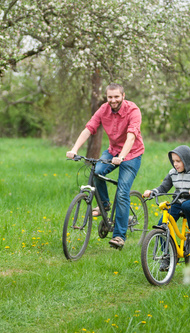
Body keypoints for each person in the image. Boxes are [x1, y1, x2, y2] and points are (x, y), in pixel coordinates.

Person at [66, 83, 144, 249]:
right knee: (97, 171)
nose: (113, 100)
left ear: (123, 96)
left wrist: (121, 157)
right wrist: (74, 149)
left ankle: (119, 236)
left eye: (116, 96)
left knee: (122, 193)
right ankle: (105, 205)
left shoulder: (133, 110)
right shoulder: (104, 109)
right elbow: (89, 128)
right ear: (106, 97)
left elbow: (131, 137)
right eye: (110, 97)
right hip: (113, 150)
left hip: (131, 154)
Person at [143, 145, 190, 240]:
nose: (175, 164)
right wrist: (152, 192)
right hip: (177, 203)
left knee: (187, 205)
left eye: (178, 161)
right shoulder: (173, 173)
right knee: (161, 227)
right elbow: (163, 187)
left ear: (186, 160)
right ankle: (168, 254)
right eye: (173, 161)